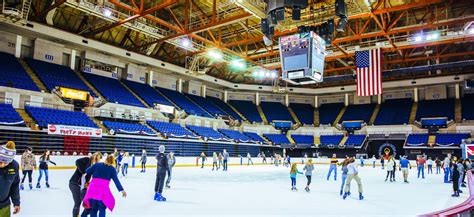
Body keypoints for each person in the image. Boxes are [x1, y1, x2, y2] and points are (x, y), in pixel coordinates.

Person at [70, 153, 102, 217]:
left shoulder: (94, 166)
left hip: (83, 186)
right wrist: (83, 172)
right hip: (74, 183)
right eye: (97, 157)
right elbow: (77, 162)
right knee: (78, 202)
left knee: (89, 203)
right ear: (94, 156)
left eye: (98, 159)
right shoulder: (87, 160)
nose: (97, 159)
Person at [0, 141, 21, 217]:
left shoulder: (14, 166)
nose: (2, 165)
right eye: (0, 161)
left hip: (5, 206)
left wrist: (16, 203)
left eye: (5, 163)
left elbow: (14, 186)